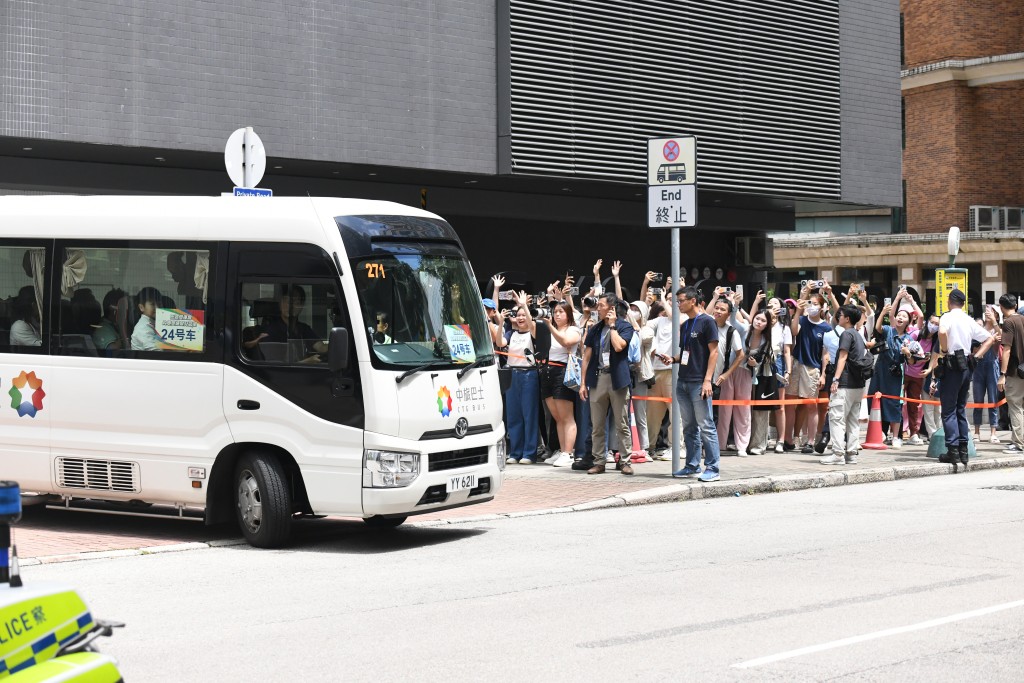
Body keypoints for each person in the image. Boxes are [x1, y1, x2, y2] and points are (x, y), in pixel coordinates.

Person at [931, 288, 994, 470]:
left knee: (948, 409)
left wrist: (943, 350)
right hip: (966, 364)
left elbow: (942, 332)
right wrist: (977, 356)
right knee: (960, 408)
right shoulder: (968, 320)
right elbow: (989, 339)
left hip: (951, 364)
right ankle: (963, 449)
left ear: (950, 301)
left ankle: (953, 450)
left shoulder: (947, 317)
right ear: (964, 303)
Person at [579, 293, 635, 475]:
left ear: (611, 308)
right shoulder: (595, 329)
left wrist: (612, 326)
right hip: (598, 378)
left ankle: (625, 461)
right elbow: (586, 358)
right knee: (597, 425)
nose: (597, 308)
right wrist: (582, 383)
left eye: (601, 305)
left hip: (618, 379)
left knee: (621, 423)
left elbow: (619, 347)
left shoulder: (625, 326)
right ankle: (599, 461)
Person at [671, 286, 721, 482]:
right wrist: (673, 359)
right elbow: (686, 354)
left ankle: (713, 468)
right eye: (677, 301)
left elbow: (714, 352)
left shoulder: (707, 322)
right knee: (689, 427)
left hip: (699, 382)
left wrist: (708, 380)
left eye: (681, 300)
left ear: (693, 301)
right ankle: (692, 466)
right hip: (683, 380)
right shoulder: (685, 325)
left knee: (706, 425)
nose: (678, 304)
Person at [819, 304, 868, 465]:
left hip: (845, 384)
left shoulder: (846, 334)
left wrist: (835, 379)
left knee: (837, 418)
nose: (838, 317)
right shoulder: (858, 334)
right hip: (858, 384)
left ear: (847, 319)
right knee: (853, 420)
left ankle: (838, 454)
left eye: (841, 315)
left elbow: (842, 357)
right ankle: (851, 453)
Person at [871, 288, 920, 447]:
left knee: (894, 404)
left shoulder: (909, 339)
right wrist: (894, 301)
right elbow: (878, 327)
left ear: (908, 321)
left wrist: (907, 354)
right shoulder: (888, 330)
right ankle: (879, 432)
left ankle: (896, 437)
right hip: (880, 372)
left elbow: (912, 362)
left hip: (896, 375)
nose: (900, 317)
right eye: (899, 315)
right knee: (877, 400)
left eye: (904, 316)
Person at [789, 289, 832, 453]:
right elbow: (794, 331)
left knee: (811, 405)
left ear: (822, 307)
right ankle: (793, 438)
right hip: (796, 364)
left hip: (812, 368)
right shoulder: (801, 320)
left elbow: (825, 354)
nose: (812, 307)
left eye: (815, 304)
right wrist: (800, 307)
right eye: (810, 303)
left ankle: (811, 440)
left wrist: (823, 374)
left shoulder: (826, 328)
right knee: (794, 403)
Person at [541, 301, 581, 468]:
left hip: (563, 372)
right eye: (555, 311)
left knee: (567, 417)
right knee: (557, 417)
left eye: (561, 312)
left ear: (568, 315)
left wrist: (550, 327)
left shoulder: (573, 329)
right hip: (547, 371)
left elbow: (566, 342)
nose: (557, 315)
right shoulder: (550, 329)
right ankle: (561, 450)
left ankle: (568, 452)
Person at [710, 297, 749, 456]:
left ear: (728, 313)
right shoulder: (706, 325)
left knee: (716, 415)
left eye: (722, 309)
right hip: (701, 377)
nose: (718, 311)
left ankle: (718, 448)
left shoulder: (732, 331)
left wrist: (726, 374)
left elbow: (741, 355)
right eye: (716, 308)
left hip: (718, 379)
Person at [504, 293, 539, 465]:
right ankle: (515, 452)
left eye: (523, 315)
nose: (520, 317)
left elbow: (533, 324)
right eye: (518, 315)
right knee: (514, 415)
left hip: (528, 374)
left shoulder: (532, 332)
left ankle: (529, 452)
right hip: (512, 374)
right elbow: (499, 341)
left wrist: (524, 305)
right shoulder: (511, 333)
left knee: (529, 414)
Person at [744, 310, 777, 455]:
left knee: (760, 413)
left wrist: (755, 364)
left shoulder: (768, 339)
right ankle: (743, 443)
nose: (759, 322)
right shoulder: (745, 332)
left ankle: (758, 445)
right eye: (757, 318)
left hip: (763, 378)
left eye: (763, 321)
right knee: (744, 411)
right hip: (743, 375)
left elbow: (769, 360)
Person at [905, 312, 938, 445]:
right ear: (927, 322)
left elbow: (935, 358)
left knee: (914, 405)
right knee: (899, 403)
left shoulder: (936, 341)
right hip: (906, 372)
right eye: (932, 323)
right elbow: (905, 347)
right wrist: (910, 355)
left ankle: (914, 433)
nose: (934, 326)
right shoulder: (916, 334)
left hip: (919, 375)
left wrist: (929, 369)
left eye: (937, 324)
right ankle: (896, 434)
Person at [628, 299, 655, 461]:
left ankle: (644, 448)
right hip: (625, 373)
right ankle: (625, 446)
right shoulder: (624, 327)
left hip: (640, 375)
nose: (632, 311)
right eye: (630, 308)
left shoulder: (647, 330)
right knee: (623, 413)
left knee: (640, 413)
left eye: (636, 309)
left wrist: (632, 322)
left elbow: (639, 341)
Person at [998, 294, 1024, 454]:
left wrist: (1002, 374)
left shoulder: (1009, 322)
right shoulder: (1022, 318)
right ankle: (1018, 440)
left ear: (1001, 307)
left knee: (1015, 406)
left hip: (1015, 371)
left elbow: (1006, 350)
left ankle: (1019, 443)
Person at [972, 305, 1001, 443]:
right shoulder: (979, 329)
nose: (988, 314)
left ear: (997, 315)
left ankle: (993, 432)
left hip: (992, 366)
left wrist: (994, 322)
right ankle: (976, 431)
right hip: (978, 367)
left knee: (993, 400)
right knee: (977, 399)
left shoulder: (997, 330)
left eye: (992, 312)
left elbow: (1001, 336)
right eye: (987, 311)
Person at [130, 286, 164, 351]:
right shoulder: (143, 328)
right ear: (141, 307)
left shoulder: (153, 323)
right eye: (152, 304)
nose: (157, 308)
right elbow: (158, 352)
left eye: (159, 304)